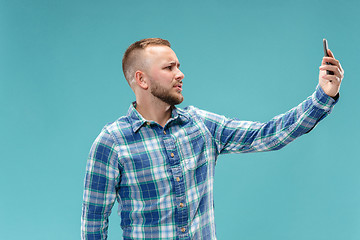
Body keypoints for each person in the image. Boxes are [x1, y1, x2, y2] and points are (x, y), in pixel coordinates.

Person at [81, 38, 344, 239]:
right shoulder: (112, 143)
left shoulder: (201, 126)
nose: (180, 74)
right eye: (169, 67)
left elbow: (268, 134)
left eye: (179, 66)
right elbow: (93, 226)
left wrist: (323, 95)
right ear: (142, 79)